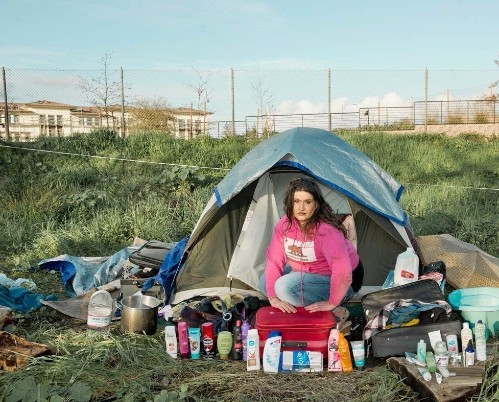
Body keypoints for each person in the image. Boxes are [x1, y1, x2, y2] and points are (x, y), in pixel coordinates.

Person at [259, 177, 364, 313]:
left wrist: (332, 302)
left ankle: (332, 298)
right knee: (264, 282)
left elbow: (342, 271)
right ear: (291, 203)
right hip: (306, 272)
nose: (301, 208)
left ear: (316, 205)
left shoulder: (327, 231)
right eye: (297, 201)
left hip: (344, 280)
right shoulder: (285, 224)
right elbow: (274, 260)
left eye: (307, 202)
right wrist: (273, 299)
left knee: (283, 287)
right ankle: (292, 297)